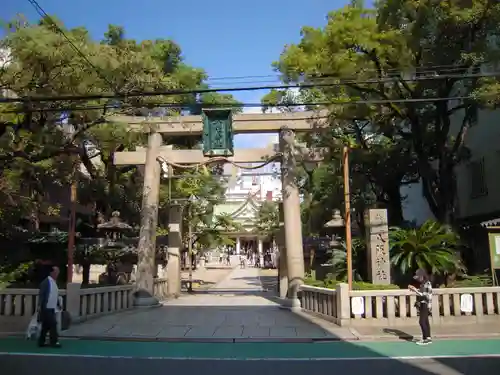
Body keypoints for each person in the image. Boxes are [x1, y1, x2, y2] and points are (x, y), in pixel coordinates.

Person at [37, 266, 61, 348]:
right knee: (53, 324)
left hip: (52, 307)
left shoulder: (54, 282)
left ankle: (41, 341)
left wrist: (58, 304)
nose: (57, 274)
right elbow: (42, 294)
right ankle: (54, 342)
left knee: (46, 325)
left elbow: (54, 294)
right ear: (51, 272)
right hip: (46, 307)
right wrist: (40, 306)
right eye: (56, 272)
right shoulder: (46, 282)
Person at [408, 268, 433, 346]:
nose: (418, 278)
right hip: (424, 304)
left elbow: (424, 295)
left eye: (419, 277)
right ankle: (428, 338)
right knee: (425, 321)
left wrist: (415, 290)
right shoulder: (423, 284)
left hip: (425, 303)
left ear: (422, 276)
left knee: (422, 321)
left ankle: (425, 339)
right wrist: (416, 290)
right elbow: (422, 293)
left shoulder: (426, 284)